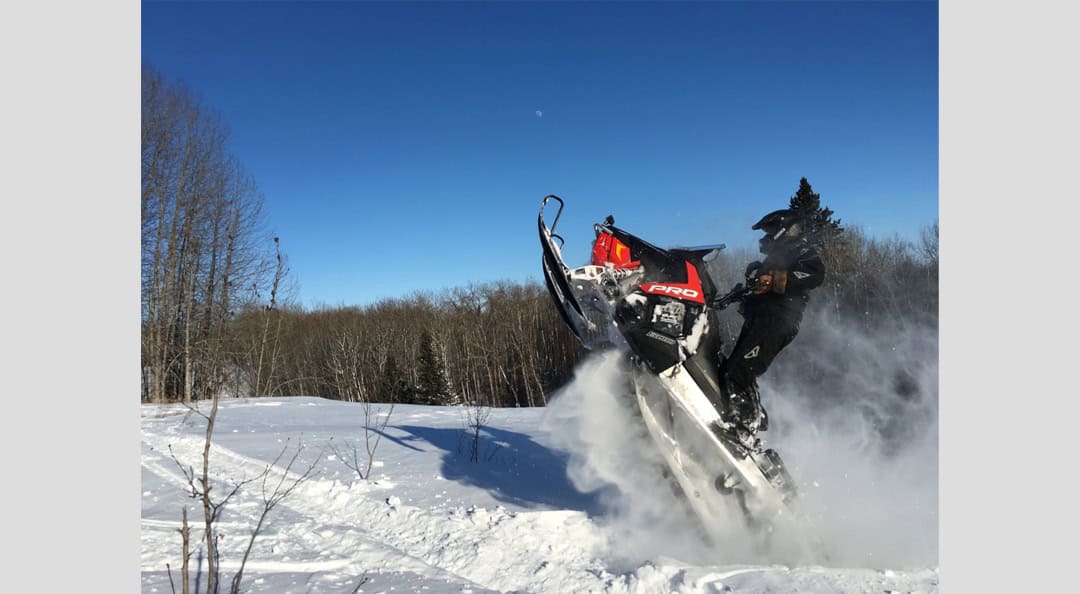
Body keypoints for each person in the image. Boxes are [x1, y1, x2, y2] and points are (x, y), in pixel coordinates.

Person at [715, 208, 825, 451]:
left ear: (784, 230)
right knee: (731, 370)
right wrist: (728, 298)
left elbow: (816, 274)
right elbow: (758, 290)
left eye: (770, 230)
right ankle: (741, 415)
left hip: (779, 321)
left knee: (739, 371)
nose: (765, 236)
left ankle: (744, 430)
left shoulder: (800, 250)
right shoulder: (773, 259)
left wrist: (775, 279)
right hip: (761, 320)